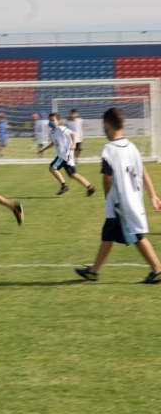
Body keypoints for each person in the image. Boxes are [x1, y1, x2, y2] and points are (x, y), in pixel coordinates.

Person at [75, 107, 161, 284]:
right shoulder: (132, 147)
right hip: (133, 198)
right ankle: (94, 271)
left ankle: (158, 270)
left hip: (121, 202)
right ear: (123, 124)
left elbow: (107, 178)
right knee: (108, 234)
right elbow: (143, 170)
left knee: (137, 236)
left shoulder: (109, 149)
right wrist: (152, 195)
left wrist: (108, 197)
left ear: (106, 125)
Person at [37, 112, 95, 196]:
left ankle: (64, 185)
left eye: (53, 120)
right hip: (65, 155)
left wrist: (74, 144)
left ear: (58, 121)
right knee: (73, 174)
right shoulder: (51, 133)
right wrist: (44, 149)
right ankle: (90, 187)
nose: (51, 122)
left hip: (64, 154)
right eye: (50, 120)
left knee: (52, 168)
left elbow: (73, 134)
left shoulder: (61, 129)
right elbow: (53, 143)